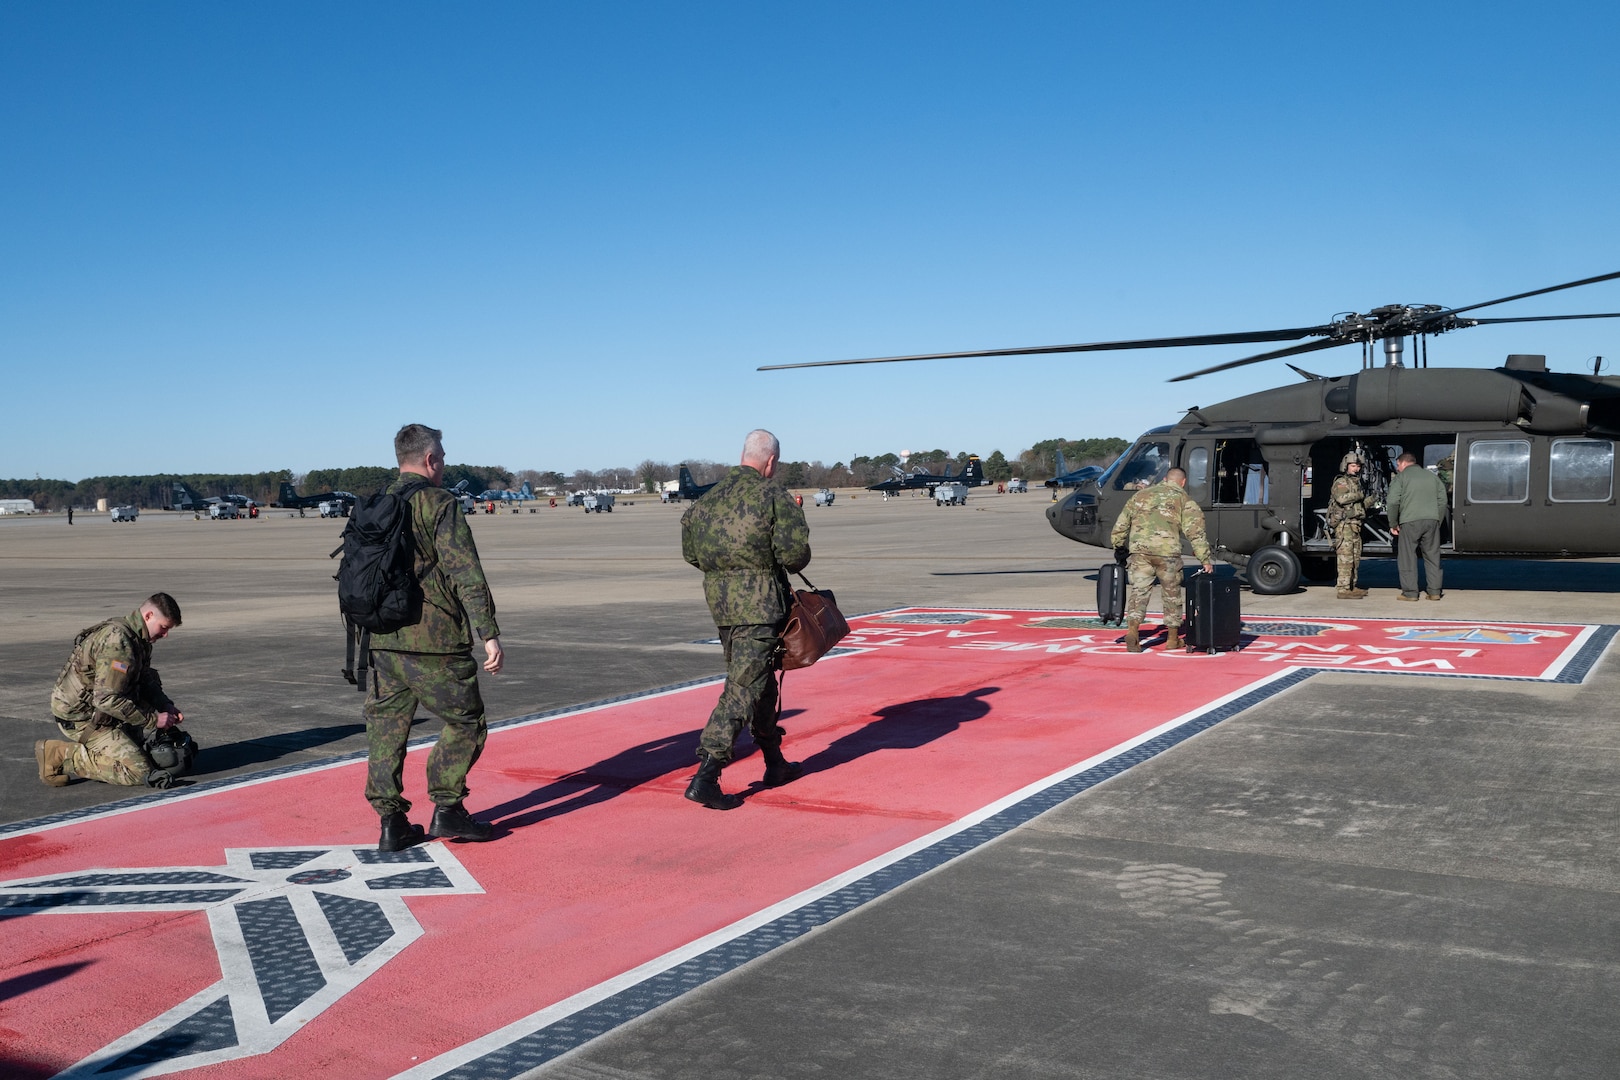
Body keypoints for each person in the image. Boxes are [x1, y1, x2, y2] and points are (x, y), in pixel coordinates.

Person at [364, 423, 505, 851]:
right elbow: (465, 570)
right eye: (440, 458)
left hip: (383, 638)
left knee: (386, 729)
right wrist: (489, 632)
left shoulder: (378, 503)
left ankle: (391, 822)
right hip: (435, 641)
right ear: (430, 460)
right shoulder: (438, 503)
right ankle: (447, 807)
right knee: (466, 721)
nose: (442, 465)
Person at [680, 429, 811, 809]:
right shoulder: (772, 495)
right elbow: (794, 556)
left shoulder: (708, 499)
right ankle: (708, 771)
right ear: (771, 461)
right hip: (760, 606)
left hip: (722, 608)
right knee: (742, 688)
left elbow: (692, 553)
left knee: (758, 682)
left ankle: (774, 762)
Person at [37, 593, 187, 787]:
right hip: (81, 718)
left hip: (101, 710)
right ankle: (60, 754)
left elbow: (144, 678)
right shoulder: (118, 642)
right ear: (149, 616)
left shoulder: (138, 637)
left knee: (144, 754)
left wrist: (164, 704)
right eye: (164, 627)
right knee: (139, 771)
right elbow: (106, 699)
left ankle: (119, 742)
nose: (165, 634)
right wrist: (153, 720)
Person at [1108, 467, 1213, 653]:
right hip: (1168, 555)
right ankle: (1173, 639)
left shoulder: (1140, 496)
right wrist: (1205, 559)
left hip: (1140, 553)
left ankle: (1133, 631)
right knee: (1172, 595)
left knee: (1139, 592)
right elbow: (1195, 532)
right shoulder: (1184, 500)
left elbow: (1121, 523)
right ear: (1183, 482)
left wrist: (1118, 546)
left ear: (1164, 479)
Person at [1385, 452, 1448, 601]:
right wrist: (1437, 519)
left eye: (1398, 465)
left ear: (1403, 463)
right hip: (1431, 520)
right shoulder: (1432, 476)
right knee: (1433, 556)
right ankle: (1434, 592)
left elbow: (1393, 502)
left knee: (1407, 557)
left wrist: (1393, 523)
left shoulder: (1401, 478)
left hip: (1410, 521)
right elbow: (1443, 500)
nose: (1397, 468)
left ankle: (1410, 593)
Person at [1328, 452, 1371, 599]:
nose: (1356, 468)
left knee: (1355, 557)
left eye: (1358, 466)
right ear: (1346, 466)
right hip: (1344, 525)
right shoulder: (1341, 482)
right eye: (1353, 465)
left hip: (1355, 525)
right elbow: (1341, 498)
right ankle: (1343, 589)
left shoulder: (1356, 483)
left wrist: (1371, 500)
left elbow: (1359, 505)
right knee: (1345, 558)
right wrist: (1360, 495)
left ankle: (1352, 585)